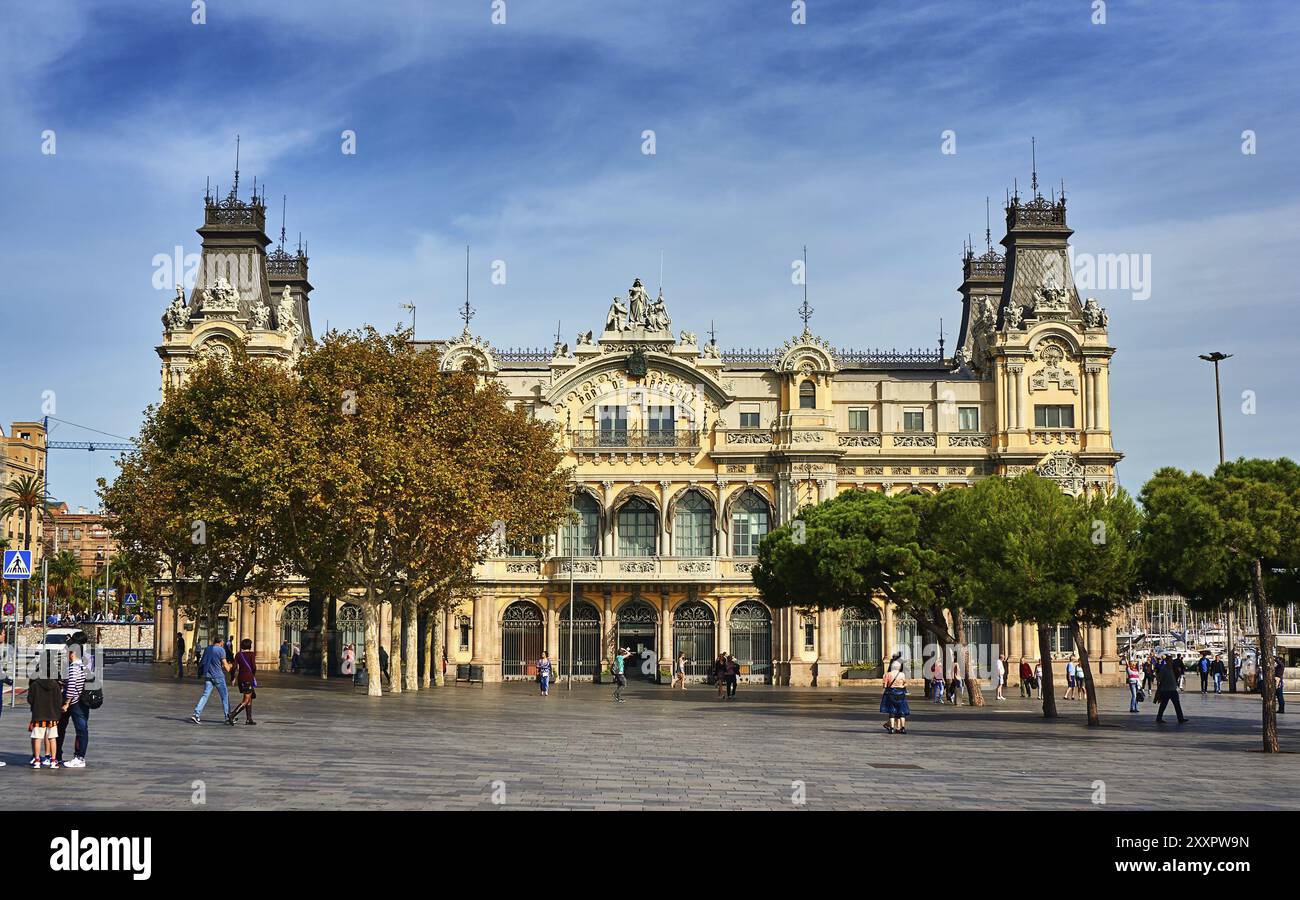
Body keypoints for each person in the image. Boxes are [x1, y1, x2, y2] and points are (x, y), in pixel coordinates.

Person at [59, 633, 90, 767]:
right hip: (83, 699)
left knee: (64, 727)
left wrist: (66, 702)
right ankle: (79, 756)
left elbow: (71, 685)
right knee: (81, 729)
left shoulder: (75, 664)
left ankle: (66, 756)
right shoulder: (86, 661)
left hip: (74, 701)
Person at [28, 651, 63, 768]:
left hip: (38, 714)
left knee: (37, 738)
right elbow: (59, 701)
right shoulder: (56, 685)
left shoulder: (35, 684)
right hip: (52, 715)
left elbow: (30, 699)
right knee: (52, 738)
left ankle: (37, 759)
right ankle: (53, 760)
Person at [191, 636, 234, 725]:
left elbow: (204, 661)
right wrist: (232, 667)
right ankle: (228, 717)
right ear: (221, 642)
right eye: (223, 642)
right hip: (218, 676)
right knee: (224, 697)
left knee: (205, 695)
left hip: (208, 675)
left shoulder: (208, 648)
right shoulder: (221, 650)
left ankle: (196, 714)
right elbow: (226, 666)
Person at [227, 638, 257, 725]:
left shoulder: (238, 655)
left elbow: (234, 667)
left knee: (249, 697)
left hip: (241, 678)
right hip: (248, 678)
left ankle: (249, 719)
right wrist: (253, 675)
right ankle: (232, 715)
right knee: (246, 699)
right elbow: (254, 667)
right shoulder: (252, 654)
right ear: (250, 646)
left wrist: (233, 677)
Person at [1154, 653, 1188, 724]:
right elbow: (1158, 678)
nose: (1171, 662)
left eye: (1171, 660)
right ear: (1167, 661)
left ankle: (1180, 718)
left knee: (1177, 705)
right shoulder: (1164, 669)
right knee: (1163, 705)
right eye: (1170, 660)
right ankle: (1159, 718)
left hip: (1173, 689)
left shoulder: (1173, 668)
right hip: (1166, 690)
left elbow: (1177, 674)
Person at [880, 658, 910, 734]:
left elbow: (885, 685)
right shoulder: (902, 674)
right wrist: (902, 686)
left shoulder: (887, 674)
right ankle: (902, 728)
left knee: (892, 711)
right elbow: (905, 683)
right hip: (900, 693)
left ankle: (892, 728)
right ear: (899, 667)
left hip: (891, 693)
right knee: (902, 711)